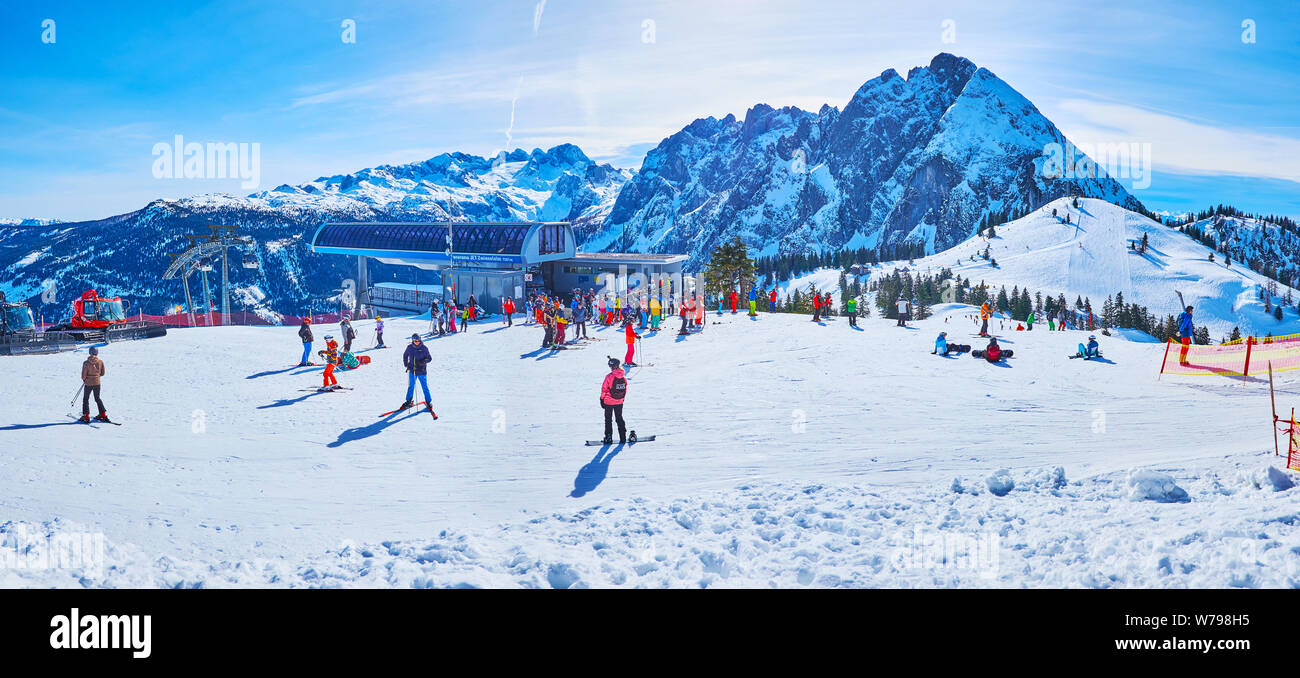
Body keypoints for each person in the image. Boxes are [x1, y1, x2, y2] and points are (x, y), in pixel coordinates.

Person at [399, 334, 434, 412]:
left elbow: (429, 358)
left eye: (418, 340)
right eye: (415, 341)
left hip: (422, 371)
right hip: (412, 370)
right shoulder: (409, 347)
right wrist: (406, 364)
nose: (417, 342)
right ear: (412, 340)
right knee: (411, 386)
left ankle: (428, 401)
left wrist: (423, 361)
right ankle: (409, 401)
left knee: (424, 386)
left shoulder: (424, 348)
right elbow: (405, 355)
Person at [600, 356, 629, 445]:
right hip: (619, 401)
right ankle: (623, 437)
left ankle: (608, 437)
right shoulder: (623, 378)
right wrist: (622, 399)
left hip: (608, 401)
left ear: (612, 367)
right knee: (619, 418)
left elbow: (604, 389)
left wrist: (602, 399)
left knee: (608, 419)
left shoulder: (609, 377)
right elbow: (625, 390)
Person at [80, 346, 109, 422]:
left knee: (86, 399)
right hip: (97, 383)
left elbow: (83, 376)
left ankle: (86, 416)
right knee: (97, 398)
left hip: (88, 383)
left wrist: (85, 379)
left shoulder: (86, 363)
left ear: (90, 352)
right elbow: (102, 373)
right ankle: (103, 415)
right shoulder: (100, 362)